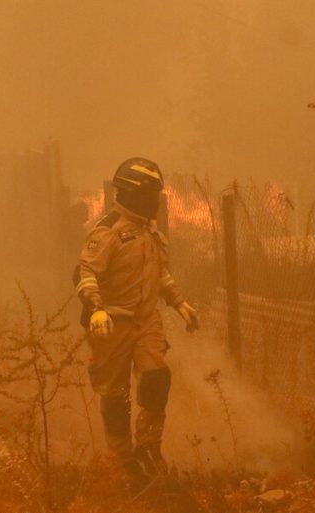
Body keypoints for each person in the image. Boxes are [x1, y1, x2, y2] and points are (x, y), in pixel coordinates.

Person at [74, 157, 199, 491]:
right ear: (132, 193)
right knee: (115, 395)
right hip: (111, 324)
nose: (156, 201)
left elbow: (160, 274)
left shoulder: (149, 231)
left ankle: (148, 449)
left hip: (147, 323)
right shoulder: (108, 231)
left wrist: (179, 303)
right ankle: (122, 460)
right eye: (151, 194)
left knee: (157, 378)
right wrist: (96, 309)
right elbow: (85, 273)